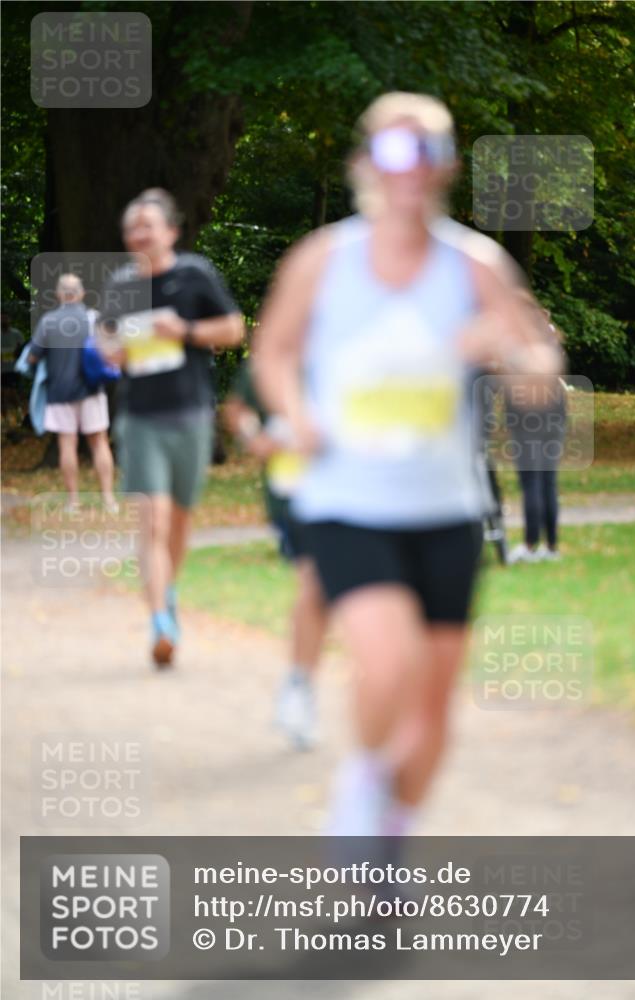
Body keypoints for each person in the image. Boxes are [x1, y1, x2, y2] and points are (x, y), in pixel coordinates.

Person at [254, 92, 561, 843]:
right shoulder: (322, 260)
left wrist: (510, 353)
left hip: (446, 510)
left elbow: (538, 367)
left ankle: (392, 827)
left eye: (427, 150)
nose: (409, 168)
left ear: (447, 166)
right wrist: (297, 413)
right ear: (364, 164)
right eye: (393, 151)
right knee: (387, 664)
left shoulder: (474, 264)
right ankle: (361, 782)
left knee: (433, 706)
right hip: (346, 501)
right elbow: (273, 353)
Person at [100, 188, 245, 667]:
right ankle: (160, 620)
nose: (138, 233)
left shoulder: (194, 275)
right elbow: (105, 342)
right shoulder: (120, 285)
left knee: (180, 521)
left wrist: (182, 331)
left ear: (171, 232)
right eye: (131, 227)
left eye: (147, 225)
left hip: (191, 414)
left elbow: (233, 329)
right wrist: (113, 350)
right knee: (153, 519)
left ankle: (169, 592)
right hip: (140, 418)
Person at [224, 358, 328, 749]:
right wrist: (255, 438)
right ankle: (301, 686)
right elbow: (237, 406)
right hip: (295, 490)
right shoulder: (283, 354)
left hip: (368, 484)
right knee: (316, 581)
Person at [27, 275, 116, 512]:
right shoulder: (94, 319)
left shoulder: (48, 321)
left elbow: (33, 357)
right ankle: (108, 500)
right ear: (81, 293)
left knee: (67, 445)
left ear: (58, 295)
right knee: (99, 443)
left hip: (59, 392)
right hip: (91, 390)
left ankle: (73, 502)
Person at [505, 291, 567, 563]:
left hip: (528, 413)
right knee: (547, 479)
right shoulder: (549, 336)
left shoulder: (519, 341)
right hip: (555, 411)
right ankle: (551, 546)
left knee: (531, 480)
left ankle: (531, 545)